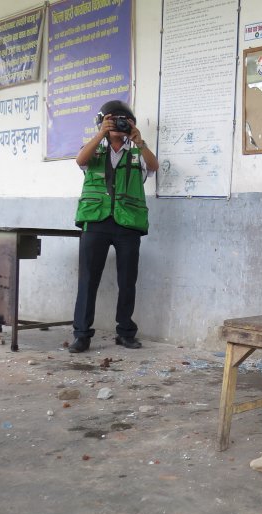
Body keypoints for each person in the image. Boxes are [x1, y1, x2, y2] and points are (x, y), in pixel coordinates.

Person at [67, 100, 158, 353]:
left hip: (128, 223)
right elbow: (80, 160)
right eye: (113, 120)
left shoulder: (138, 151)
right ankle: (82, 335)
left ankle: (126, 332)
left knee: (127, 281)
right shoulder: (94, 148)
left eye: (123, 121)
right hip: (96, 220)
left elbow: (154, 167)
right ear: (102, 122)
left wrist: (140, 141)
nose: (118, 124)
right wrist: (101, 134)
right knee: (88, 280)